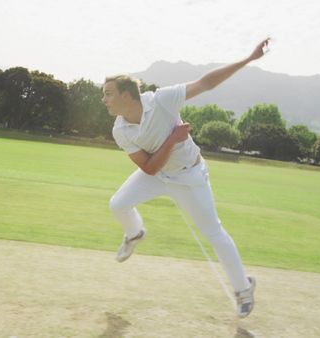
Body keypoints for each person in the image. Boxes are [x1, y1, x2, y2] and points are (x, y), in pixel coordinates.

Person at [102, 39, 269, 318]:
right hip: (158, 174)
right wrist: (173, 139)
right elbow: (150, 169)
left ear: (127, 95)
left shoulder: (162, 99)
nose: (103, 100)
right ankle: (135, 233)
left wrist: (248, 58)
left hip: (190, 176)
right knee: (118, 204)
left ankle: (243, 288)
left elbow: (205, 83)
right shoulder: (120, 130)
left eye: (108, 94)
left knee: (214, 233)